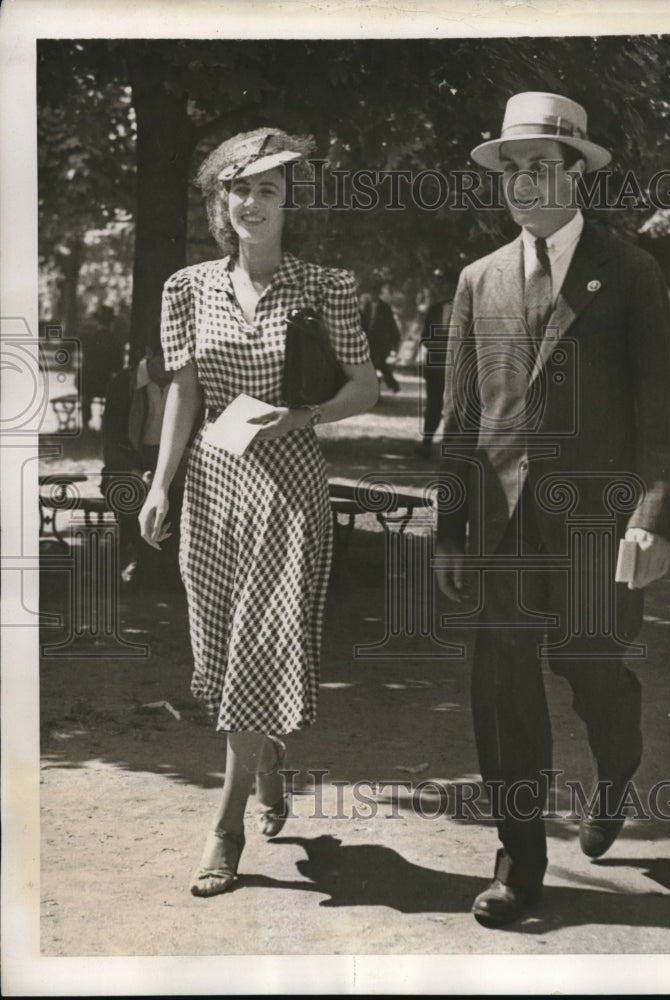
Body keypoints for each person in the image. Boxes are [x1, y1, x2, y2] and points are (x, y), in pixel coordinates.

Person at [435, 92, 670, 926]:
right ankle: (520, 861)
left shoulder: (634, 271)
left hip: (596, 527)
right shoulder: (477, 280)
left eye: (540, 165)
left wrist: (652, 515)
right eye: (511, 169)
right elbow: (458, 418)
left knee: (590, 669)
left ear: (577, 172)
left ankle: (616, 766)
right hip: (500, 525)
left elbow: (658, 416)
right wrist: (448, 527)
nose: (522, 182)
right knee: (502, 688)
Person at [138, 128, 378, 897]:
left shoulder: (324, 287)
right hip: (213, 485)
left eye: (268, 189)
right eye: (239, 188)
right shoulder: (186, 289)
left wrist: (302, 417)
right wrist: (159, 483)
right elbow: (184, 392)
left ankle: (226, 827)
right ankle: (270, 763)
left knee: (259, 644)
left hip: (288, 487)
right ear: (221, 201)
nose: (252, 202)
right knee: (219, 651)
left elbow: (365, 387)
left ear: (288, 202)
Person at [100, 347, 184, 588]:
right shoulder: (124, 383)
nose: (167, 373)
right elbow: (112, 442)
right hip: (131, 462)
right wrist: (135, 471)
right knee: (128, 490)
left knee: (182, 495)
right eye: (162, 365)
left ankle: (170, 564)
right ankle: (141, 558)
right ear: (149, 356)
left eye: (173, 366)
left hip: (173, 462)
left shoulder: (184, 380)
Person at [415, 269, 458, 458]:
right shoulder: (434, 309)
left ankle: (453, 446)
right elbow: (424, 337)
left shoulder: (470, 309)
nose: (445, 289)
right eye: (442, 285)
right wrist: (435, 344)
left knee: (456, 407)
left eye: (448, 284)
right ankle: (427, 442)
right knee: (433, 405)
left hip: (458, 369)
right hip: (435, 368)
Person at [80, 304, 124, 430]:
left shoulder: (89, 339)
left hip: (86, 383)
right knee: (113, 390)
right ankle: (105, 421)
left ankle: (85, 423)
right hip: (104, 383)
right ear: (111, 323)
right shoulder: (115, 342)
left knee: (85, 395)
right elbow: (118, 366)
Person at [359, 280, 401, 392]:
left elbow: (391, 325)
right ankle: (377, 388)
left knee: (379, 363)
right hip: (368, 342)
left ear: (378, 294)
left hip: (381, 343)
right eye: (371, 293)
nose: (373, 295)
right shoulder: (366, 306)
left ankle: (391, 384)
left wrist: (394, 342)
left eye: (375, 293)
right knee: (372, 365)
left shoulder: (385, 307)